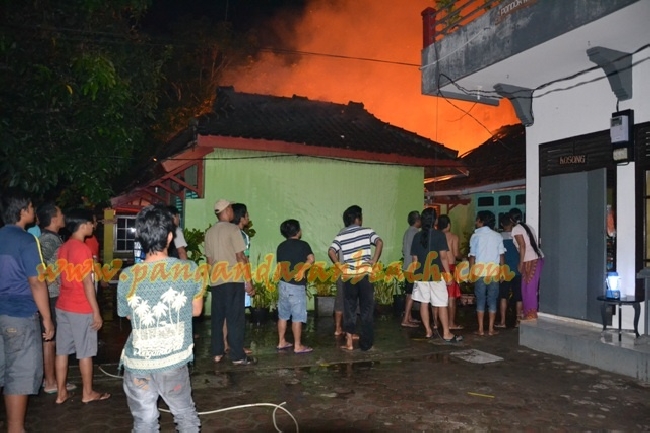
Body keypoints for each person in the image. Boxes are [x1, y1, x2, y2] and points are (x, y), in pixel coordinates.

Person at [117, 204, 203, 432]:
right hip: (173, 361)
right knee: (185, 415)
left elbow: (127, 314)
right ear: (170, 236)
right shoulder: (190, 269)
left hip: (138, 364)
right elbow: (196, 311)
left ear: (140, 239)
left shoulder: (127, 276)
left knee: (145, 421)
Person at [0, 189, 54, 433]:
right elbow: (36, 281)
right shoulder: (25, 240)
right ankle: (15, 428)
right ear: (22, 211)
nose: (34, 211)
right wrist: (47, 318)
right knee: (19, 372)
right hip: (19, 314)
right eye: (31, 207)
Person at [55, 208, 109, 404]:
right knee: (85, 352)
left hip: (63, 305)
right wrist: (96, 312)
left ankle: (61, 393)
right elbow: (87, 283)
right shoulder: (83, 249)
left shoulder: (63, 247)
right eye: (91, 222)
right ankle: (87, 393)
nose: (93, 226)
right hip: (80, 307)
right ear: (83, 224)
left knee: (62, 351)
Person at [204, 199, 256, 365]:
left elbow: (209, 261)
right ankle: (237, 356)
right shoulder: (233, 229)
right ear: (226, 211)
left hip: (217, 281)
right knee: (235, 319)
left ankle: (217, 353)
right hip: (233, 280)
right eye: (231, 209)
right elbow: (240, 257)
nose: (233, 211)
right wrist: (248, 281)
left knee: (218, 318)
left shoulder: (210, 232)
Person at [328, 205, 383, 352]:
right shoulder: (367, 231)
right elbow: (379, 242)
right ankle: (367, 344)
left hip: (349, 277)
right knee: (366, 309)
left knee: (349, 309)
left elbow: (331, 251)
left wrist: (340, 266)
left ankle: (350, 343)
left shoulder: (341, 235)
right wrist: (374, 259)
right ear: (358, 218)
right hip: (365, 276)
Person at [37, 202, 76, 395]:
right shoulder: (48, 240)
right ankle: (51, 381)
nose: (63, 217)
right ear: (53, 219)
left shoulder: (53, 238)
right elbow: (41, 267)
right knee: (50, 340)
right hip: (51, 295)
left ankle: (52, 379)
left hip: (52, 294)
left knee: (51, 339)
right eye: (60, 214)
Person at [410, 207, 462, 343]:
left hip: (421, 275)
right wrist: (448, 275)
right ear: (435, 220)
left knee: (424, 303)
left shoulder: (417, 236)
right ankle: (446, 333)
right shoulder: (439, 235)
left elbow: (414, 259)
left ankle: (428, 331)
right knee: (441, 303)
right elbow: (444, 257)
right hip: (436, 275)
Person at [276, 219, 315, 353]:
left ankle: (281, 341)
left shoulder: (280, 246)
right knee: (297, 317)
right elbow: (311, 259)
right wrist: (302, 270)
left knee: (283, 315)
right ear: (298, 231)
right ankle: (297, 345)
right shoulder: (303, 245)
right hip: (296, 286)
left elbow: (280, 266)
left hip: (283, 284)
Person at [468, 210, 505, 336]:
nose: (475, 222)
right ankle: (490, 329)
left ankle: (480, 329)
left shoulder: (475, 236)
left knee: (480, 299)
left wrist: (470, 273)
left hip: (480, 272)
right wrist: (502, 272)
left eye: (477, 220)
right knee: (492, 300)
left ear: (481, 221)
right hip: (494, 272)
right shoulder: (497, 236)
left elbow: (472, 256)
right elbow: (501, 256)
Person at [222, 203, 252, 355]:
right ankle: (237, 347)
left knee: (227, 314)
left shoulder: (225, 233)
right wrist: (248, 281)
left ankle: (225, 344)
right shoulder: (241, 236)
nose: (249, 218)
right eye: (247, 215)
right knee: (237, 315)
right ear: (241, 218)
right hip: (238, 278)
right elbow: (242, 258)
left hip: (224, 277)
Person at [509, 208, 544, 320]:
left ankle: (531, 314)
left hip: (530, 259)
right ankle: (528, 312)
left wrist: (520, 263)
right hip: (535, 258)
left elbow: (522, 246)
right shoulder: (528, 227)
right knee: (526, 287)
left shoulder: (516, 229)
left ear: (511, 219)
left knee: (529, 288)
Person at [496, 214, 522, 328]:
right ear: (512, 224)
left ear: (501, 224)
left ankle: (502, 321)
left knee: (503, 296)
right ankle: (518, 321)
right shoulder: (516, 236)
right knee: (518, 296)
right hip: (517, 270)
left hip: (504, 271)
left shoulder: (498, 237)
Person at [437, 214, 463, 330]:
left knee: (438, 297)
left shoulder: (436, 236)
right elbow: (456, 254)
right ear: (448, 225)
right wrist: (464, 257)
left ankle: (437, 323)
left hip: (438, 268)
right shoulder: (454, 237)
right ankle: (451, 323)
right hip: (450, 267)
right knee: (451, 297)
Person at [401, 210, 421, 328]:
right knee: (411, 294)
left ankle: (408, 317)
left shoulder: (407, 232)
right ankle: (406, 319)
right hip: (413, 267)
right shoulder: (416, 234)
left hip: (407, 266)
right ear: (417, 221)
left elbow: (404, 251)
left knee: (409, 293)